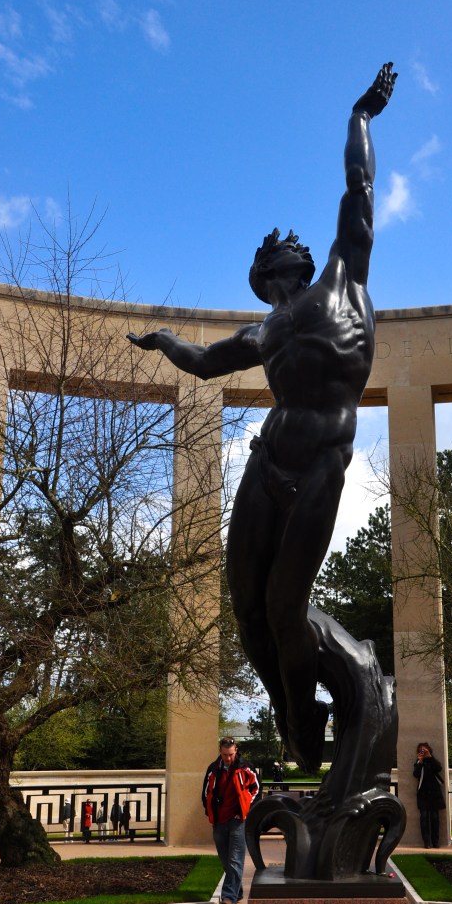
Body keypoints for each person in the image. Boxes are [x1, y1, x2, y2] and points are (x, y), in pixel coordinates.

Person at [127, 63, 396, 773]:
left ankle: (311, 720)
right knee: (243, 604)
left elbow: (358, 190)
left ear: (297, 262)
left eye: (276, 255)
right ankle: (291, 713)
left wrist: (360, 117)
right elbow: (203, 362)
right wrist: (163, 342)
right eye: (265, 261)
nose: (272, 259)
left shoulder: (346, 278)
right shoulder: (262, 332)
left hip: (319, 469)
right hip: (266, 465)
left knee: (284, 607)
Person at [202, 737, 259, 904]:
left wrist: (244, 809)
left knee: (235, 859)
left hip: (237, 820)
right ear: (220, 750)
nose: (228, 758)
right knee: (225, 860)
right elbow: (205, 794)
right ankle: (237, 891)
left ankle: (228, 897)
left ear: (236, 750)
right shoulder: (213, 769)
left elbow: (256, 789)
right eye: (225, 754)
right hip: (219, 820)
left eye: (231, 754)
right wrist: (211, 811)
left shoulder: (245, 767)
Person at [413, 741, 445, 848]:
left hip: (434, 793)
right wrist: (420, 761)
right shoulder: (419, 762)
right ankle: (427, 842)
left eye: (424, 750)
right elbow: (416, 774)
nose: (422, 752)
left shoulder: (432, 761)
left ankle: (435, 842)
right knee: (424, 817)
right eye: (420, 750)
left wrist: (429, 757)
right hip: (423, 793)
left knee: (435, 818)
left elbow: (438, 768)